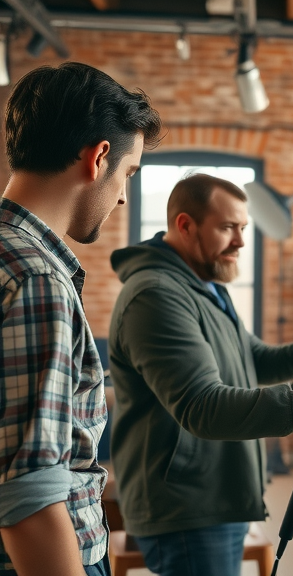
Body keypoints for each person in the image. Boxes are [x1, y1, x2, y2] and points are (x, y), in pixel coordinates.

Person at [108, 174, 293, 576]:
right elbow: (202, 405)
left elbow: (252, 359)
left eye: (243, 227)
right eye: (229, 227)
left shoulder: (205, 285)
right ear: (185, 225)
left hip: (217, 490)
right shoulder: (156, 295)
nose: (242, 242)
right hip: (188, 506)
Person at [0, 62, 161, 576]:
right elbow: (30, 496)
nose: (123, 196)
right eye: (128, 174)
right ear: (98, 158)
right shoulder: (36, 278)